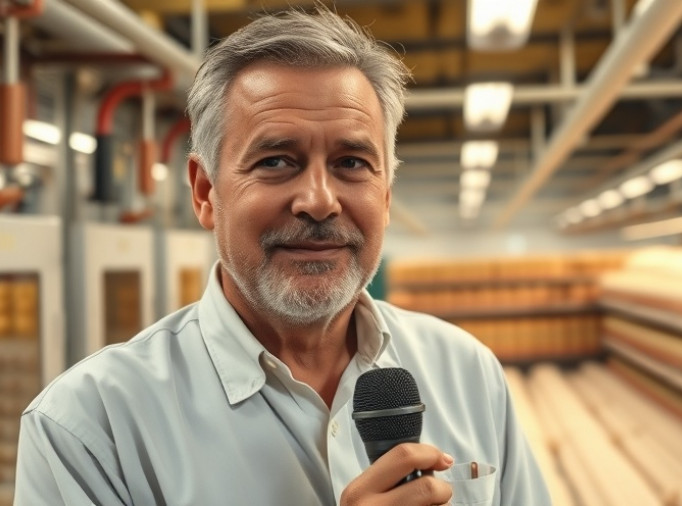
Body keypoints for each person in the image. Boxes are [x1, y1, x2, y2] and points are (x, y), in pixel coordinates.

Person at [14, 8, 551, 506]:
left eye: (352, 162)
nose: (319, 200)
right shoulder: (88, 427)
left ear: (386, 198)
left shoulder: (468, 372)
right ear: (205, 192)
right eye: (275, 161)